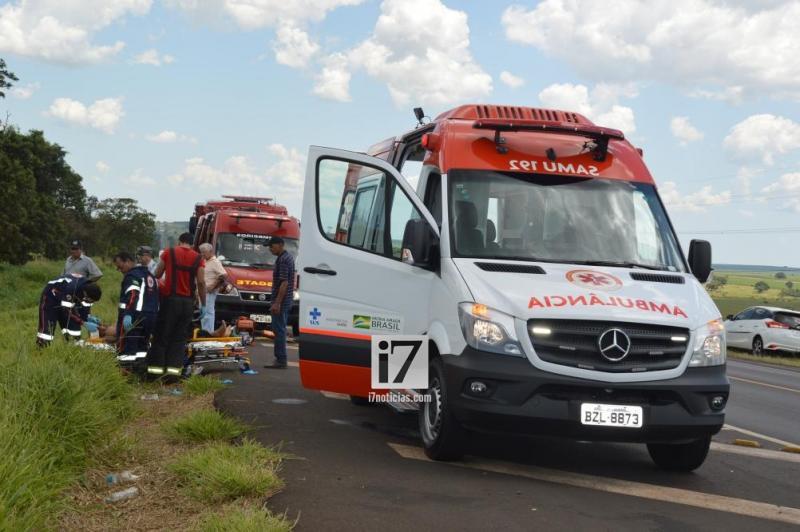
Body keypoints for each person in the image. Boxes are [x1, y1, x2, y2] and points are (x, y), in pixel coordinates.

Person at [147, 233, 206, 379]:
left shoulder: (169, 252)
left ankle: (156, 374)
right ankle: (172, 376)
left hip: (169, 301)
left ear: (180, 241)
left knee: (161, 337)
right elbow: (201, 282)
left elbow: (158, 274)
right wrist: (203, 304)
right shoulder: (198, 258)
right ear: (192, 244)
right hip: (187, 304)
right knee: (179, 339)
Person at [113, 251, 159, 369]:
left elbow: (133, 295)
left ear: (128, 261)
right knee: (142, 347)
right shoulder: (150, 275)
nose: (120, 270)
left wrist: (128, 314)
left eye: (120, 266)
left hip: (135, 316)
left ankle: (125, 374)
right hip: (150, 317)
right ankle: (140, 372)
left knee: (127, 346)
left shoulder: (132, 275)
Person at [36, 275, 102, 347]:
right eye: (89, 300)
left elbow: (85, 307)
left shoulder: (88, 288)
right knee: (48, 327)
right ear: (85, 294)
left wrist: (88, 318)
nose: (89, 302)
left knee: (73, 329)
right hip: (51, 297)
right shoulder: (72, 289)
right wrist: (83, 323)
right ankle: (41, 349)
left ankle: (74, 347)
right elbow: (66, 311)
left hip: (65, 297)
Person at [264, 236, 294, 369]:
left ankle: (281, 359)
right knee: (279, 329)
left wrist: (277, 303)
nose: (270, 249)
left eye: (272, 246)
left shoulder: (283, 260)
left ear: (280, 245)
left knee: (279, 330)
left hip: (281, 302)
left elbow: (284, 283)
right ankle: (280, 358)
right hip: (285, 301)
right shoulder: (286, 257)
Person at [63, 239, 103, 321]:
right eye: (73, 249)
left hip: (82, 295)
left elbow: (98, 274)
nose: (74, 251)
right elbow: (63, 274)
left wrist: (87, 283)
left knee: (84, 316)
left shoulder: (87, 261)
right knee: (68, 316)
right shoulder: (68, 260)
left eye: (77, 249)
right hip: (69, 293)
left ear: (81, 249)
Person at [199, 243, 227, 333]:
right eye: (201, 252)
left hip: (209, 292)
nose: (202, 254)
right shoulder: (206, 261)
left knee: (208, 313)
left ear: (211, 252)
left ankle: (208, 333)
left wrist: (213, 286)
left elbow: (224, 275)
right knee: (204, 313)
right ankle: (205, 332)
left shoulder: (215, 261)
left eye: (204, 252)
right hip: (203, 291)